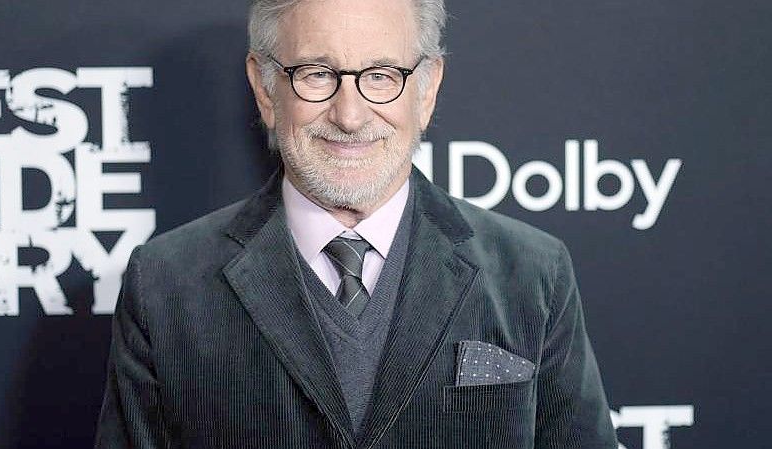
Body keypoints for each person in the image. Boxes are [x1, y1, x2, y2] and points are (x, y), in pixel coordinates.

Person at [94, 0, 618, 447]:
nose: (350, 114)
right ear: (264, 87)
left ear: (428, 89)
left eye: (382, 76)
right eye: (317, 74)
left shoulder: (532, 272)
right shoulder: (166, 282)